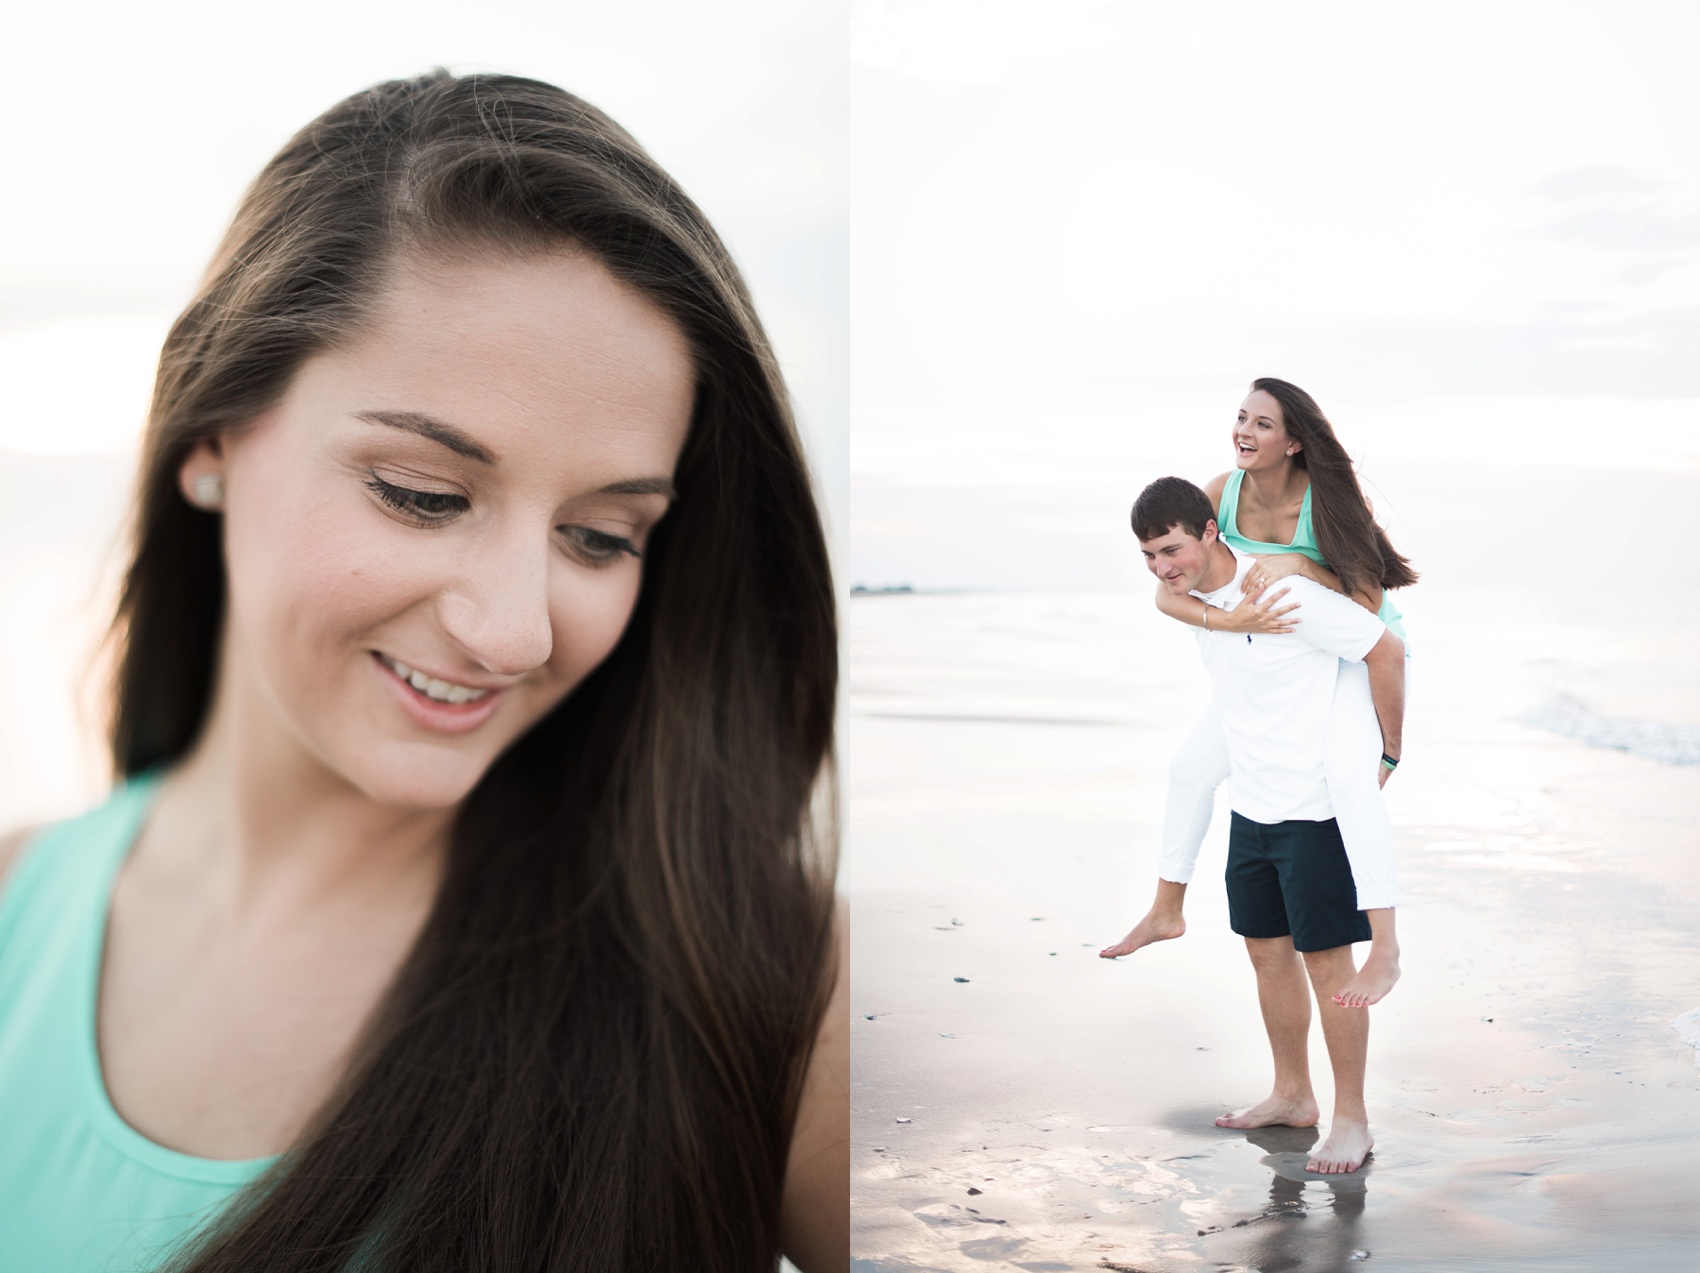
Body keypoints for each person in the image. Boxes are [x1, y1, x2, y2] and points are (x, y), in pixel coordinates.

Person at [0, 72, 844, 1272]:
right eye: (422, 495)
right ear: (210, 432)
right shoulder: (11, 901)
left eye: (601, 536)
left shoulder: (774, 995)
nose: (514, 635)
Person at [1102, 378, 1415, 1011]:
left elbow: (1370, 607)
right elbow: (1172, 585)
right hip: (1274, 650)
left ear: (1295, 441)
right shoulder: (1222, 492)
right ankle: (1167, 909)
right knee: (1191, 767)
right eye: (1241, 417)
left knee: (1348, 781)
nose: (1244, 431)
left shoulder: (1329, 499)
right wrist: (1227, 622)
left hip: (1351, 648)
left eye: (1263, 424)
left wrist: (1390, 748)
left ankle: (1386, 947)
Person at [1122, 476, 1405, 1174]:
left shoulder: (1285, 593)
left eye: (1172, 548)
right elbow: (1171, 600)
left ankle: (1353, 1119)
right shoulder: (1192, 599)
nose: (1163, 567)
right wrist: (1212, 614)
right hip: (1251, 807)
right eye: (1151, 555)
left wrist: (1388, 747)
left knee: (1329, 970)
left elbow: (1384, 648)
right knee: (1265, 953)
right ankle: (1292, 1094)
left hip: (1314, 813)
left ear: (1211, 530)